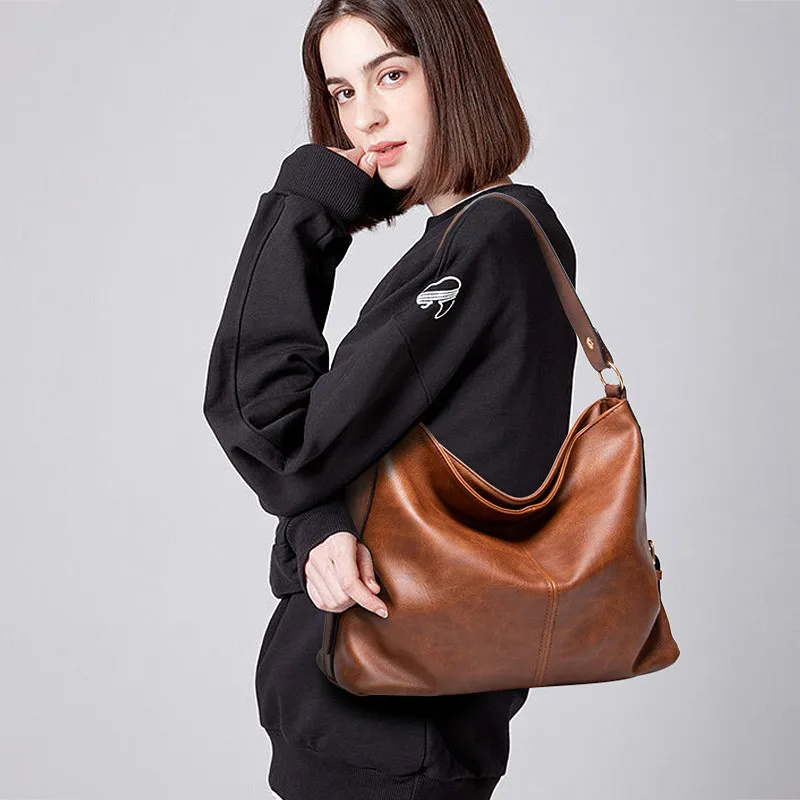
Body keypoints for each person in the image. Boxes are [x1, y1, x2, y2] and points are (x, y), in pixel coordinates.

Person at [202, 1, 578, 798]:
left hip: (392, 730)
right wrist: (320, 525)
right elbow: (340, 462)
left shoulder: (484, 245)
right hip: (385, 725)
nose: (364, 116)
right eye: (342, 91)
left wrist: (306, 204)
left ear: (456, 72)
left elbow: (278, 433)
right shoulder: (486, 237)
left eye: (392, 75)